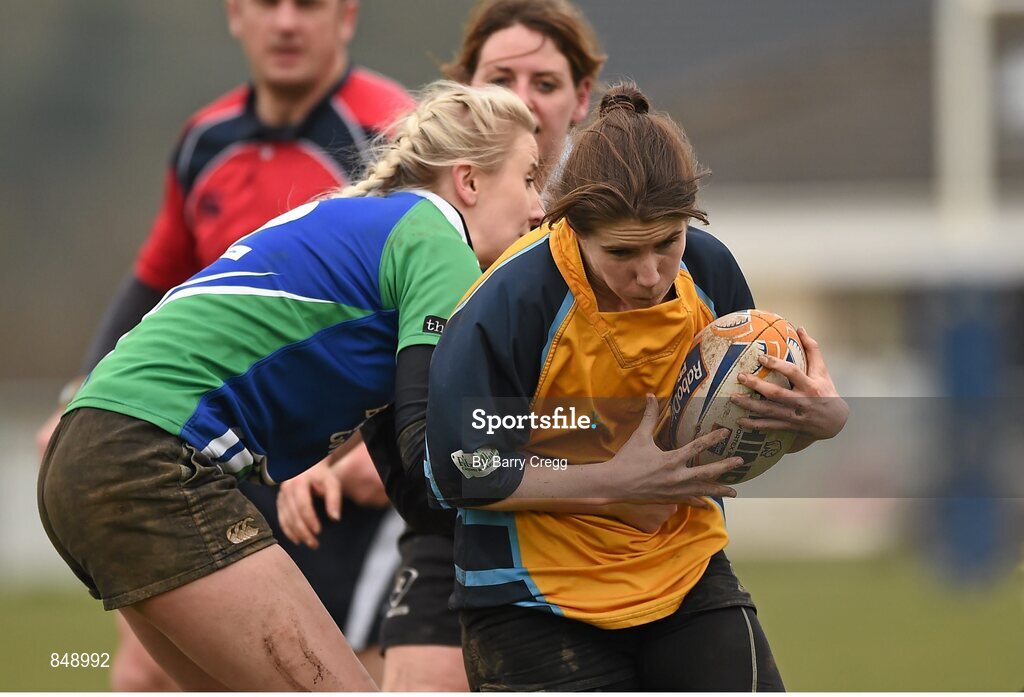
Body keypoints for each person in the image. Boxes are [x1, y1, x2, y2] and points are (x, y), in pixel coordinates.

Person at [37, 81, 543, 691]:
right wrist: (589, 464)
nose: (540, 209)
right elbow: (435, 447)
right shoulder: (439, 237)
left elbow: (413, 481)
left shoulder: (383, 227)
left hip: (89, 453)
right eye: (531, 179)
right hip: (148, 457)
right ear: (469, 181)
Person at [34, 0, 413, 687]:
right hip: (207, 449)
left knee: (343, 673)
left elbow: (425, 297)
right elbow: (152, 281)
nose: (288, 23)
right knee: (146, 674)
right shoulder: (205, 139)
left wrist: (378, 442)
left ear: (347, 15)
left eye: (309, 5)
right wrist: (80, 395)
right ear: (236, 14)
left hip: (324, 472)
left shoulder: (389, 131)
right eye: (268, 4)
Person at [425, 84, 850, 691]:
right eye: (622, 252)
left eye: (667, 243)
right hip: (531, 600)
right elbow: (454, 469)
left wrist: (815, 424)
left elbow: (728, 446)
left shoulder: (709, 273)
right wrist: (612, 482)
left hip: (683, 570)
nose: (650, 274)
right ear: (571, 227)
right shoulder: (511, 302)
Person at [275, 0, 606, 689]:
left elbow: (613, 410)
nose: (523, 100)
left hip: (580, 526)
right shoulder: (431, 233)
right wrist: (317, 451)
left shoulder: (613, 231)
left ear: (580, 99)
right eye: (500, 81)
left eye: (544, 83)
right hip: (445, 532)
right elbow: (381, 376)